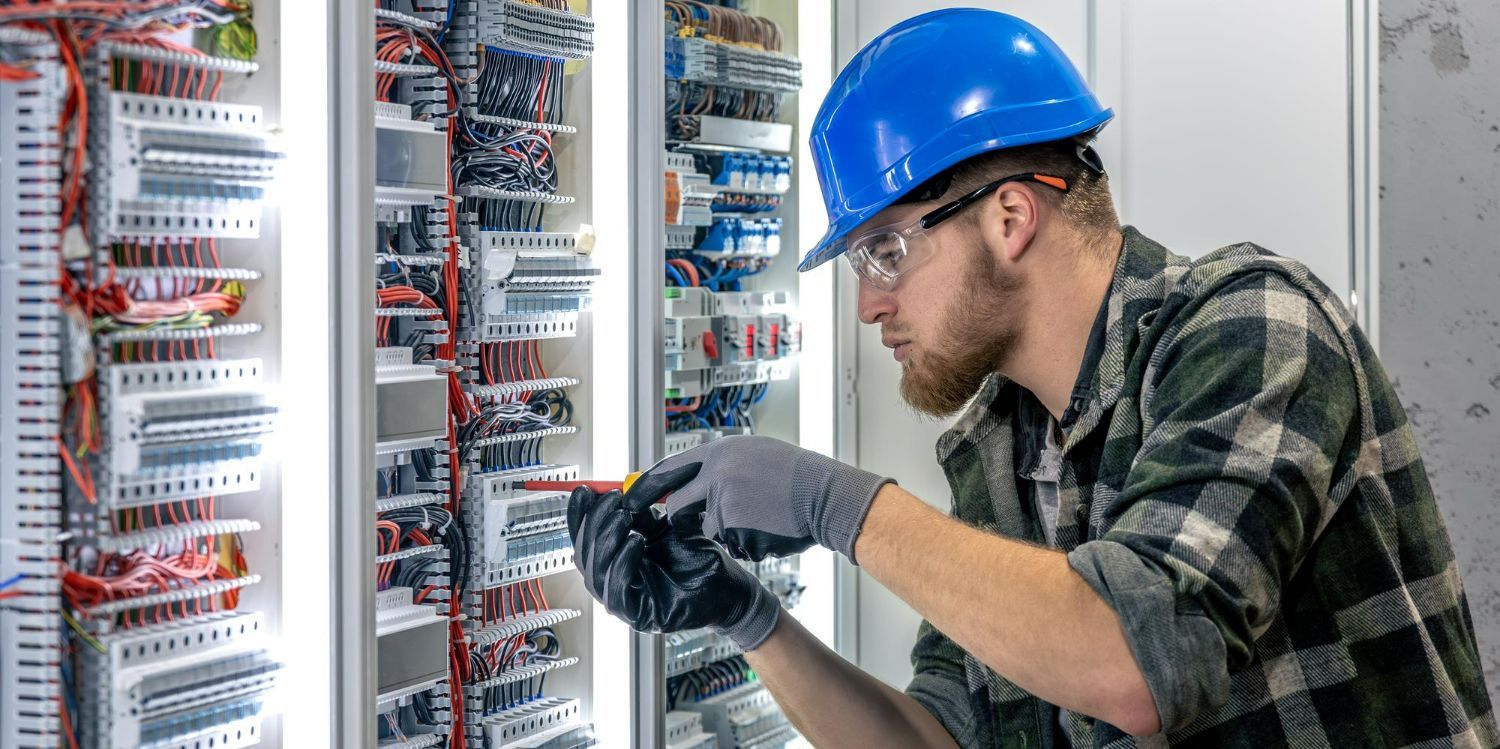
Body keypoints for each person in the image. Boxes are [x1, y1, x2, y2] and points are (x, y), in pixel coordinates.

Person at [567, 9, 1496, 748]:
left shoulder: (1255, 327)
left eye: (884, 251)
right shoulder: (1003, 452)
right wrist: (746, 614)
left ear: (1011, 216)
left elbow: (1141, 663)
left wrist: (830, 503)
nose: (868, 307)